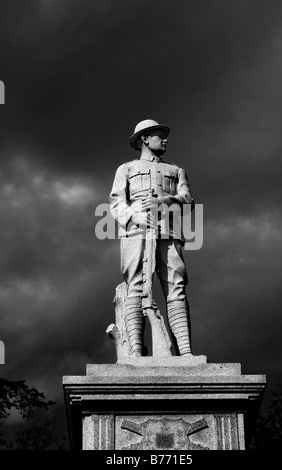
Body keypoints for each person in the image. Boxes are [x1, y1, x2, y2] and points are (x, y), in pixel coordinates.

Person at [110, 119, 194, 356]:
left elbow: (188, 199)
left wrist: (164, 201)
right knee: (135, 287)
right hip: (135, 232)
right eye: (160, 135)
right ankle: (135, 351)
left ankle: (185, 351)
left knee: (176, 288)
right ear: (145, 139)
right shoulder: (126, 169)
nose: (165, 139)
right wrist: (135, 217)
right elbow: (116, 203)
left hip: (168, 232)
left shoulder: (176, 171)